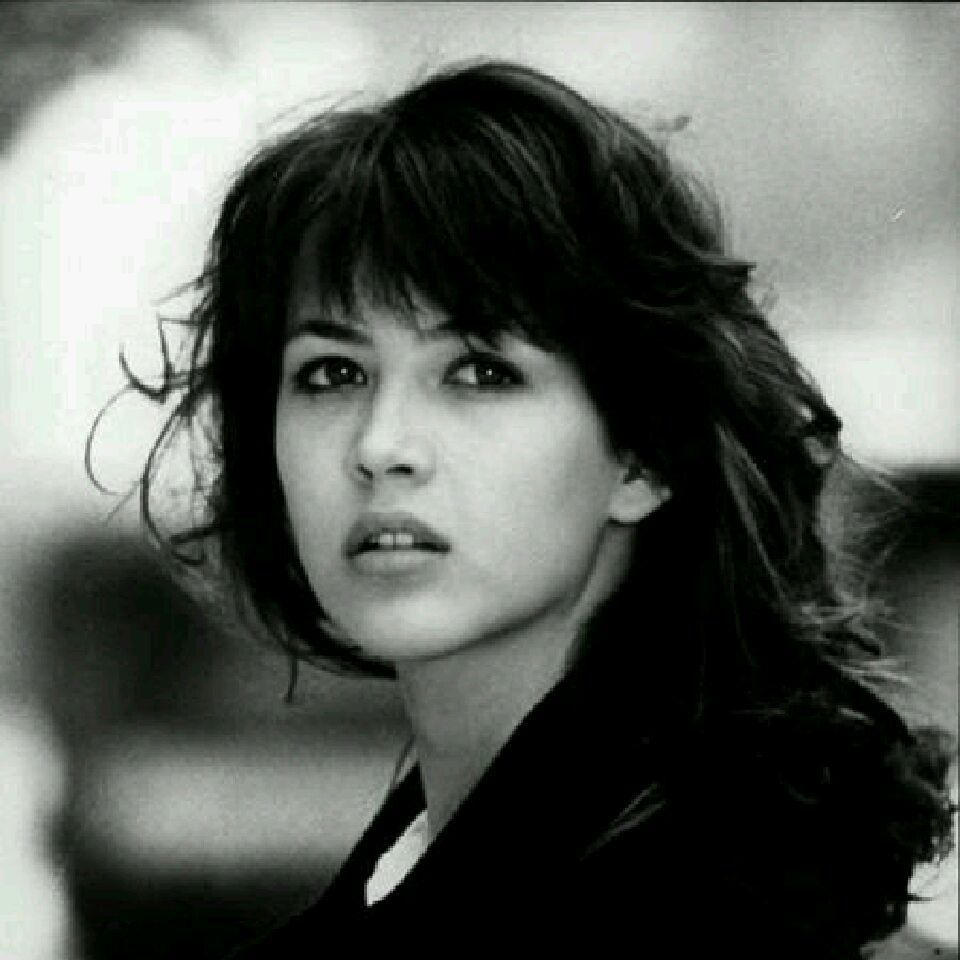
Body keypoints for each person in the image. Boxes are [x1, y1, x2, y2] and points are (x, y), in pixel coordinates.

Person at [113, 61, 954, 956]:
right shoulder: (430, 870)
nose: (381, 443)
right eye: (332, 372)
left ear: (643, 453)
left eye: (481, 372)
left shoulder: (721, 909)